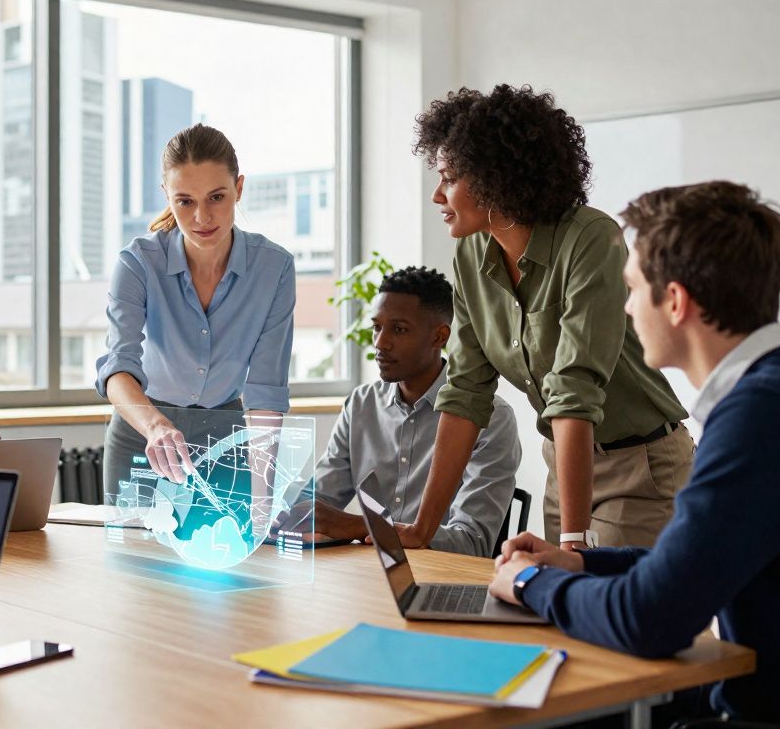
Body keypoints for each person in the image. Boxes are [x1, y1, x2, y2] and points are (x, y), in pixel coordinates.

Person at [489, 181, 780, 725]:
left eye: (630, 288)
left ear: (674, 301)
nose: (623, 308)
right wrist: (575, 561)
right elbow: (687, 567)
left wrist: (529, 582)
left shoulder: (762, 417)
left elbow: (650, 617)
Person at [401, 85, 693, 552]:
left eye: (449, 177)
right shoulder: (470, 254)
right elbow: (465, 394)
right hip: (565, 466)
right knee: (559, 619)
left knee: (612, 617)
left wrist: (575, 546)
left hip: (640, 468)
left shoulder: (591, 239)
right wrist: (421, 530)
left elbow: (574, 392)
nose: (437, 195)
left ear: (496, 178)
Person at [95, 123, 295, 542]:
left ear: (239, 188)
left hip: (227, 440)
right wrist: (155, 426)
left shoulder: (274, 268)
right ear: (166, 195)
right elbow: (118, 369)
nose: (202, 217)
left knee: (223, 581)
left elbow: (265, 392)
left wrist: (262, 510)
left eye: (216, 198)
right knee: (138, 581)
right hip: (143, 438)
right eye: (184, 201)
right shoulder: (138, 263)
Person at [306, 267, 521, 556]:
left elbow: (472, 542)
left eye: (399, 329)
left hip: (442, 581)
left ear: (439, 337)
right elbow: (314, 503)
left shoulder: (491, 418)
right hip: (371, 573)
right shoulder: (361, 405)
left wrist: (361, 527)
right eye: (377, 327)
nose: (380, 343)